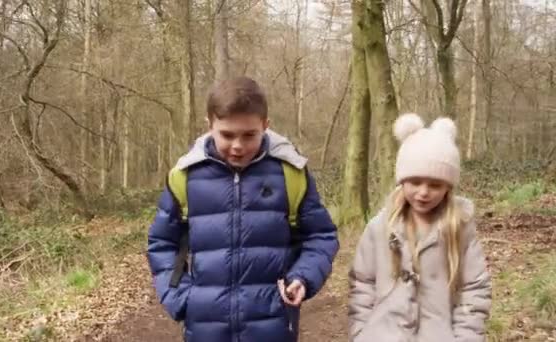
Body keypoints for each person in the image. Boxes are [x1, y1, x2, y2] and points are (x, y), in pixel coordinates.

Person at [147, 76, 339, 342]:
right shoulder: (185, 176)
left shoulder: (290, 173)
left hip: (273, 326)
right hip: (205, 329)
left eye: (249, 135)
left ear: (265, 126)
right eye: (227, 135)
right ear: (210, 126)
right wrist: (179, 297)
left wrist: (302, 277)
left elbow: (321, 237)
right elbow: (161, 242)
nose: (238, 146)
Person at [348, 113, 491, 342]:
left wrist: (466, 337)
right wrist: (361, 334)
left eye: (435, 185)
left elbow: (474, 289)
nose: (423, 192)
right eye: (415, 182)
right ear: (402, 181)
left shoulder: (459, 229)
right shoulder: (378, 229)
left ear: (448, 187)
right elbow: (362, 285)